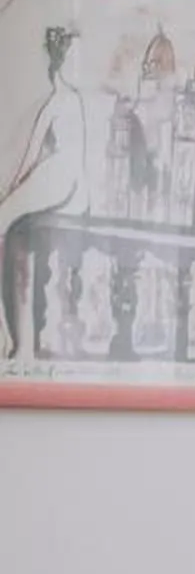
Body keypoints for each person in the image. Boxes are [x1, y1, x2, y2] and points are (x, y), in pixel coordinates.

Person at [0, 24, 85, 362]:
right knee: (10, 228)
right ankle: (14, 338)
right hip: (72, 183)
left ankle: (7, 336)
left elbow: (29, 156)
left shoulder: (57, 101)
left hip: (58, 178)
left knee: (3, 218)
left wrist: (8, 188)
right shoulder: (70, 100)